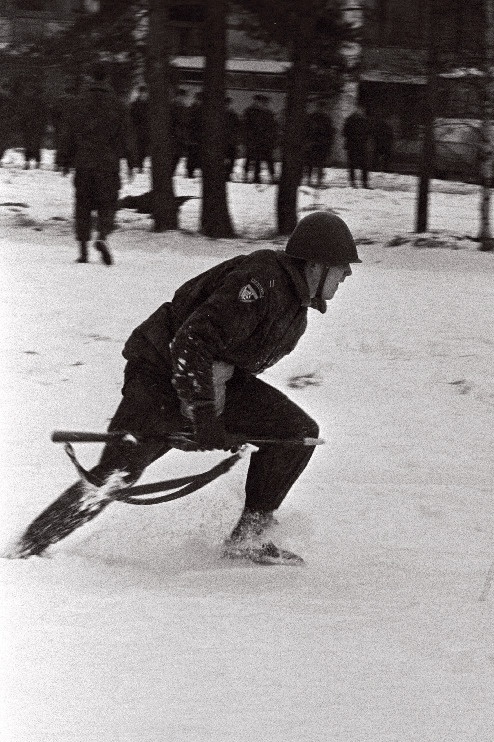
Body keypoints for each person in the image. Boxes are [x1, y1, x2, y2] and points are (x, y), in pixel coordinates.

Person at [15, 212, 361, 564]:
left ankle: (250, 537)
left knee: (296, 433)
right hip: (160, 375)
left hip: (209, 381)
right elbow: (191, 342)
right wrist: (204, 415)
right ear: (315, 266)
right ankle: (28, 548)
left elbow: (230, 364)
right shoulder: (260, 284)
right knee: (117, 474)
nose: (347, 274)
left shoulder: (294, 307)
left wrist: (219, 417)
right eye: (342, 266)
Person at [57, 63, 135, 265]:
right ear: (107, 79)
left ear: (90, 78)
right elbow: (127, 135)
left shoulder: (77, 104)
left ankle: (83, 251)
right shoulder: (118, 105)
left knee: (82, 204)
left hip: (83, 162)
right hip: (108, 164)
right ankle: (102, 235)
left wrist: (64, 159)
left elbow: (67, 134)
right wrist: (132, 161)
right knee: (107, 203)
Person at [242, 94, 278, 184]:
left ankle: (255, 176)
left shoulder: (264, 113)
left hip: (261, 140)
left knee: (260, 158)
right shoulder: (253, 112)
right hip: (257, 139)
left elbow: (272, 128)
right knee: (253, 158)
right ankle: (251, 175)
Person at [303, 101, 335, 187]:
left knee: (312, 163)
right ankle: (316, 181)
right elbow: (330, 133)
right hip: (319, 144)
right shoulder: (326, 119)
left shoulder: (312, 117)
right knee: (316, 163)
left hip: (316, 144)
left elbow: (330, 133)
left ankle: (312, 180)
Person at [342, 105, 372, 189]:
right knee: (354, 165)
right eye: (360, 109)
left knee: (363, 165)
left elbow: (368, 132)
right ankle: (355, 182)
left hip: (359, 145)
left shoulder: (362, 120)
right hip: (355, 145)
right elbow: (344, 132)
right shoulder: (351, 120)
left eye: (362, 109)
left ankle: (362, 183)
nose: (361, 111)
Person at [130, 85, 150, 173]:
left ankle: (140, 164)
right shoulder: (135, 104)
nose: (144, 95)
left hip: (145, 130)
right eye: (142, 93)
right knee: (138, 147)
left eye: (145, 93)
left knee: (144, 148)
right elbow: (132, 118)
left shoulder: (148, 105)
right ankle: (138, 164)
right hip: (137, 129)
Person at [223, 96, 242, 181]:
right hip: (228, 141)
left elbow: (237, 129)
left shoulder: (232, 115)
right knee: (229, 159)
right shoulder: (233, 115)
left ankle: (227, 173)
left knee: (229, 159)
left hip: (229, 141)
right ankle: (226, 174)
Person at [186, 91, 203, 178]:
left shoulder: (192, 109)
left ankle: (191, 171)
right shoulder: (195, 110)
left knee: (194, 155)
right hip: (195, 136)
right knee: (193, 155)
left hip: (195, 136)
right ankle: (190, 172)